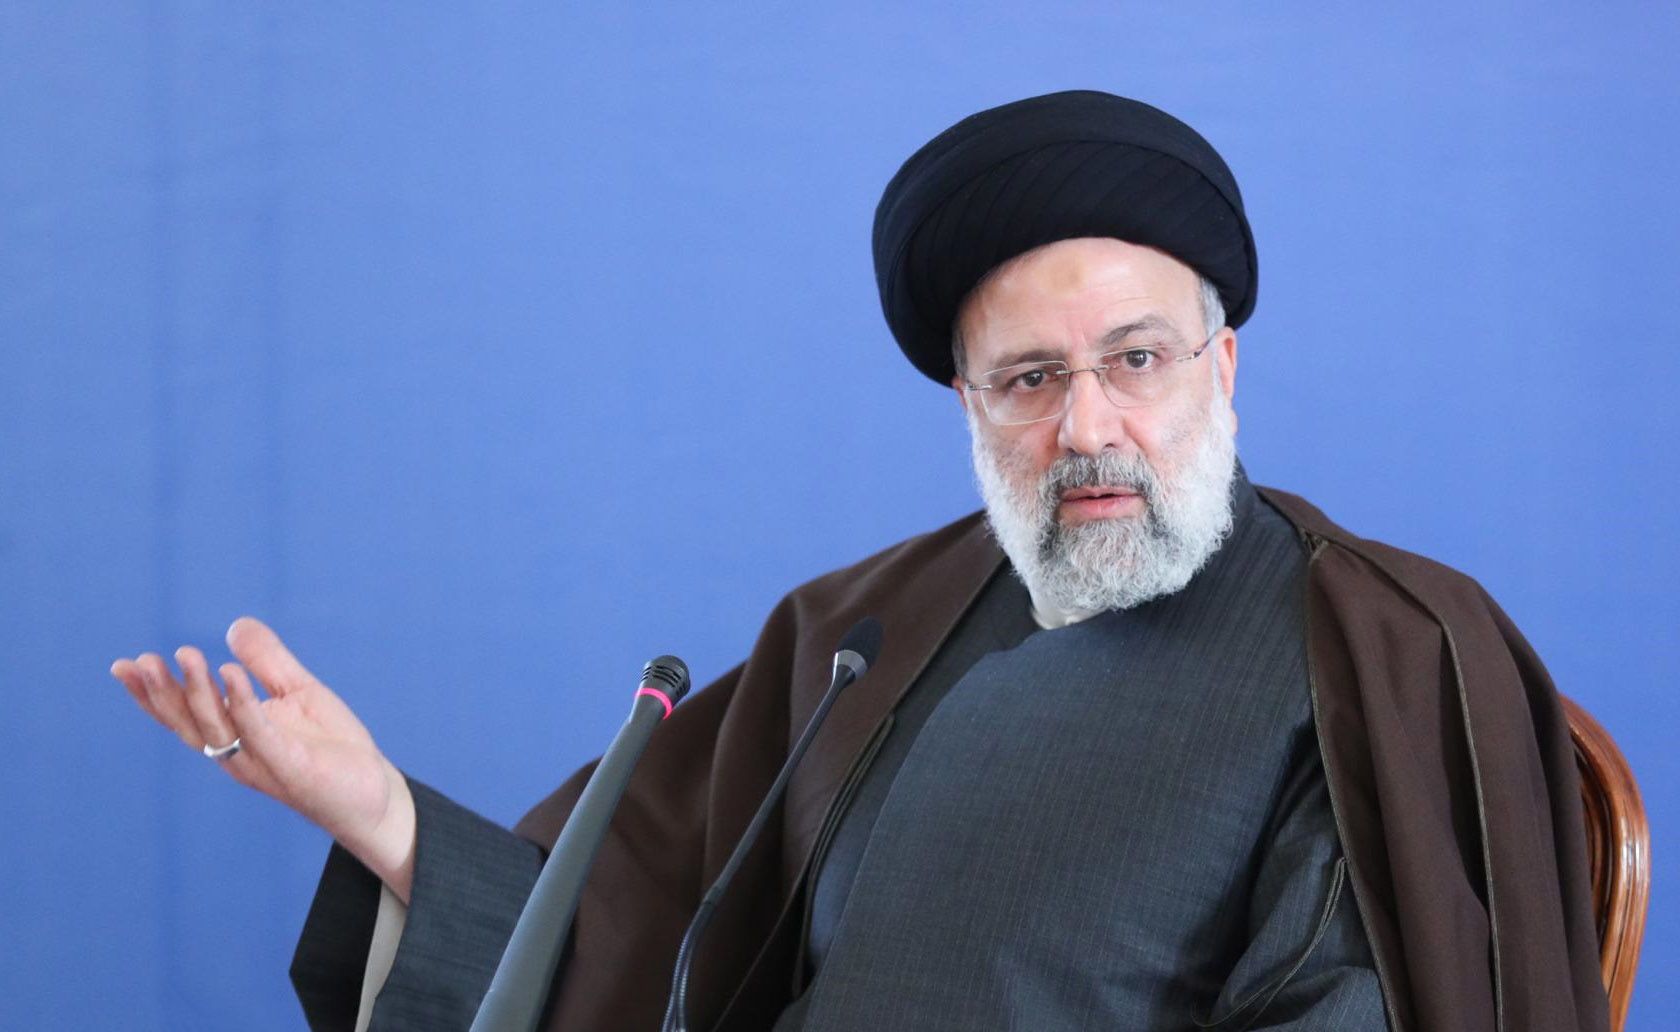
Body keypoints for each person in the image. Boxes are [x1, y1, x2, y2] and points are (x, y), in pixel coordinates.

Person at [112, 91, 1609, 1032]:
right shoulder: (871, 630)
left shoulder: (1379, 649)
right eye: (1029, 380)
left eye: (1136, 359)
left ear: (1223, 366)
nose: (1087, 426)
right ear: (969, 407)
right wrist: (378, 811)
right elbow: (652, 934)